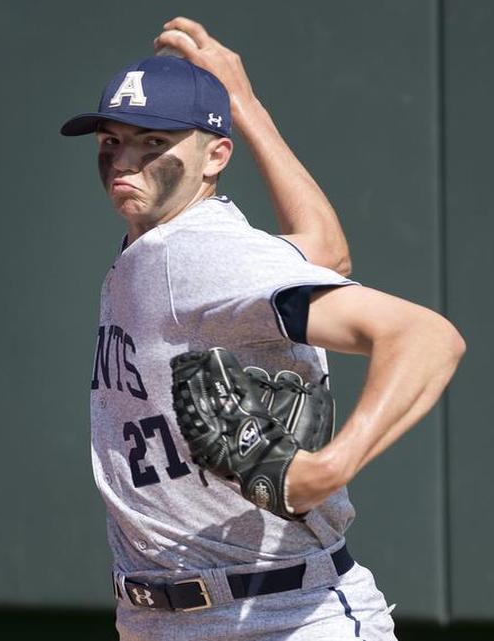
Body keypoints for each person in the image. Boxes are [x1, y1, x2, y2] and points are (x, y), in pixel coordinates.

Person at [60, 16, 464, 641]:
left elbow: (427, 337)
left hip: (282, 617)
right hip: (165, 617)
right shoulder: (169, 244)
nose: (124, 160)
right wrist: (245, 105)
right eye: (111, 139)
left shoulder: (194, 253)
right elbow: (326, 251)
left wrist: (328, 468)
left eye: (152, 141)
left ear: (215, 155)